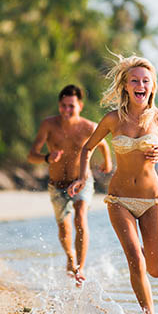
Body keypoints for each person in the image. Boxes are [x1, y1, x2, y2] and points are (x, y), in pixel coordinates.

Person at [68, 55, 158, 314]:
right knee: (135, 260)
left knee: (156, 270)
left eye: (145, 81)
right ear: (126, 87)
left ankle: (138, 251)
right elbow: (87, 148)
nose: (140, 85)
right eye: (135, 80)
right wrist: (84, 175)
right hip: (120, 200)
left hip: (152, 200)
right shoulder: (113, 120)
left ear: (152, 87)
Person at [28, 84, 112, 284]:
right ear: (59, 106)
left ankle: (80, 269)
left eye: (71, 106)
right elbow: (31, 155)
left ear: (80, 106)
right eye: (64, 106)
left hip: (82, 181)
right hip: (57, 184)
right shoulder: (48, 125)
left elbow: (103, 144)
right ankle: (70, 256)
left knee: (81, 217)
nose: (67, 110)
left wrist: (107, 163)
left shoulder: (89, 127)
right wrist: (48, 157)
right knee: (64, 229)